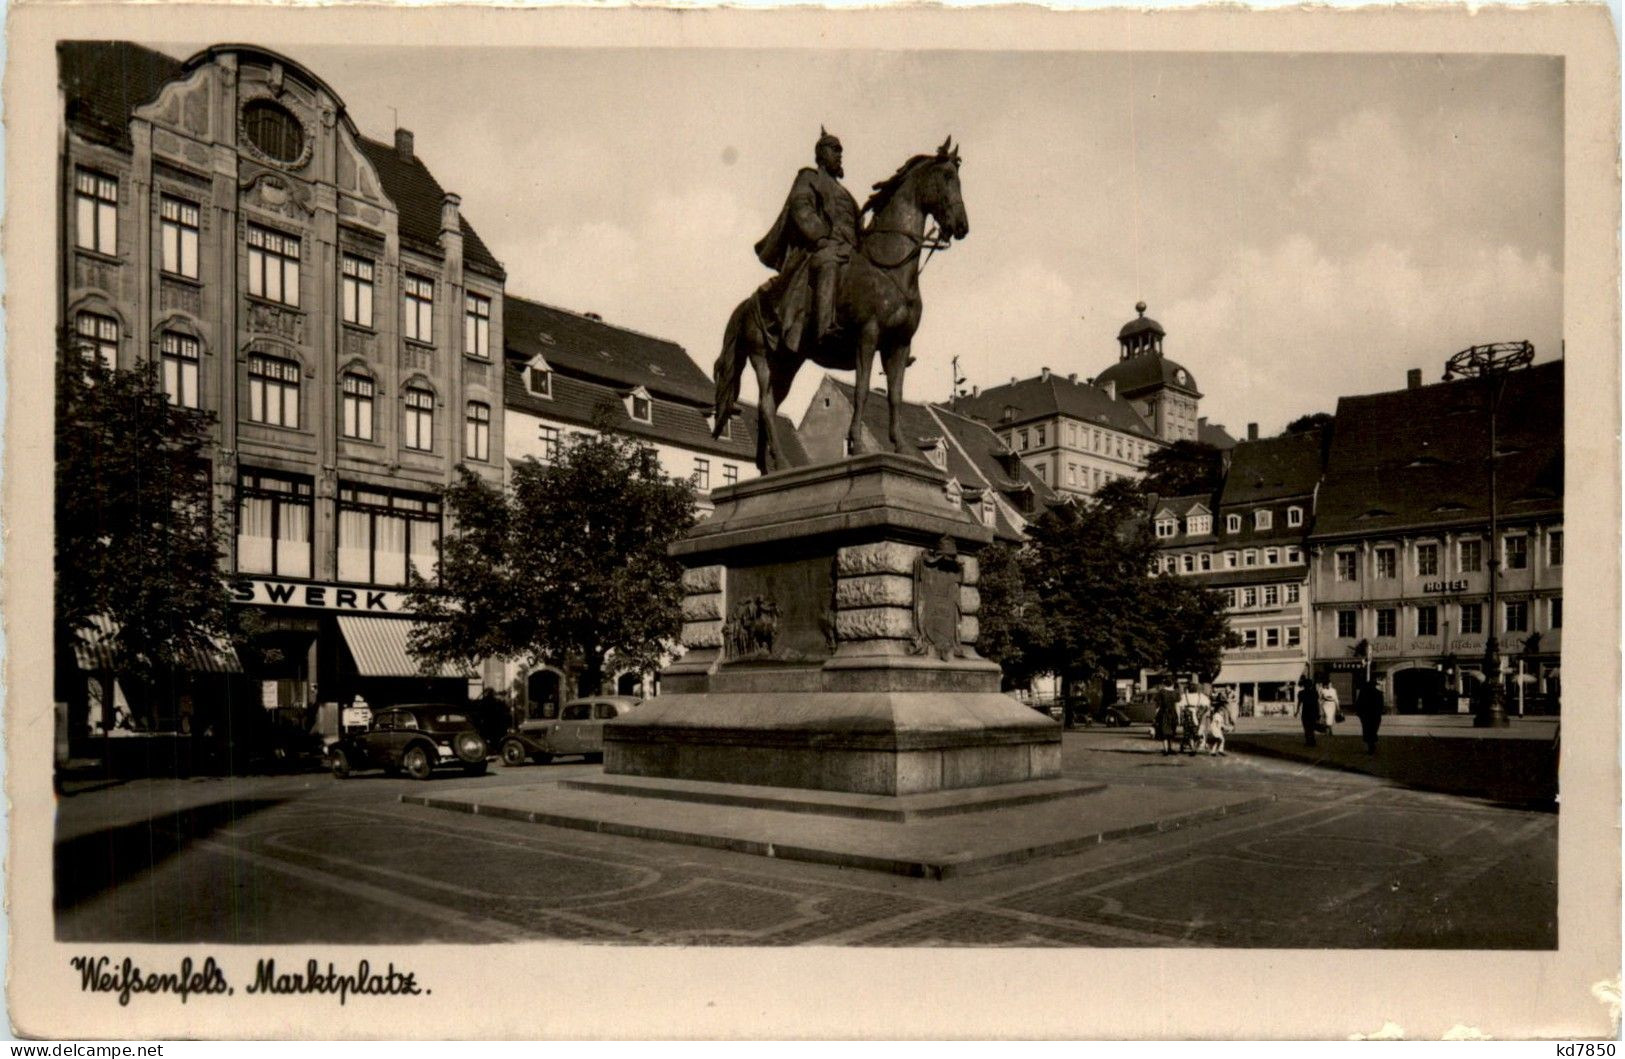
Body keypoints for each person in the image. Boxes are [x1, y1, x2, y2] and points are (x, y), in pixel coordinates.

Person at [753, 128, 861, 354]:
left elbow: (857, 225)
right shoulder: (809, 178)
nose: (840, 155)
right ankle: (824, 328)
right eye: (835, 150)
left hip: (850, 249)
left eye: (841, 151)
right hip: (821, 247)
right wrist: (820, 237)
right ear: (821, 154)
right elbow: (801, 207)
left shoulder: (845, 193)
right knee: (829, 262)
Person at [1178, 680, 1210, 756]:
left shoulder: (1184, 696)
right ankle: (1194, 746)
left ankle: (1191, 746)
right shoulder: (1200, 696)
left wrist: (1181, 714)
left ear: (1189, 689)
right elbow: (1207, 704)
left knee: (1188, 732)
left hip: (1188, 715)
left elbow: (1180, 705)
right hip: (1197, 715)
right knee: (1196, 731)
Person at [1355, 677, 1385, 755]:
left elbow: (1358, 704)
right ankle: (1372, 743)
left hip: (1366, 715)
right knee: (1374, 729)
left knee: (1367, 729)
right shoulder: (1379, 693)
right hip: (1375, 715)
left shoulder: (1363, 693)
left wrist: (1359, 713)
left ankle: (1370, 744)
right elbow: (1381, 706)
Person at [1152, 678, 1181, 756]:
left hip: (1163, 713)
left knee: (1164, 732)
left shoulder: (1161, 692)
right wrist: (1178, 716)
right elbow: (1177, 705)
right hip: (1173, 713)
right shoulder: (1176, 692)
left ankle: (1165, 750)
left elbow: (1157, 706)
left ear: (1164, 684)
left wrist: (1155, 716)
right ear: (1172, 684)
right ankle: (1170, 748)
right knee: (1172, 731)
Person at [1297, 676, 1321, 747]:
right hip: (1313, 711)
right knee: (1312, 727)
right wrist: (1319, 712)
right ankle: (1312, 741)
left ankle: (1308, 741)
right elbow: (1317, 703)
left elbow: (1299, 703)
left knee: (1306, 727)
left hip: (1306, 711)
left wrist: (1297, 711)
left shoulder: (1301, 693)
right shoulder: (1315, 693)